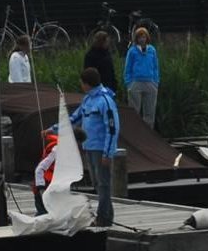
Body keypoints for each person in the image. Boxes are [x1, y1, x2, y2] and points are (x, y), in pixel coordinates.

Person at [63, 67, 119, 227]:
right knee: (97, 183)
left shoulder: (105, 101)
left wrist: (108, 153)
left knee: (104, 183)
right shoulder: (87, 100)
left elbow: (112, 128)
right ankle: (108, 215)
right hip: (89, 147)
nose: (81, 85)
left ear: (88, 84)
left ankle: (103, 218)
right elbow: (74, 119)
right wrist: (54, 129)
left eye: (82, 83)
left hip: (101, 149)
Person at [124, 27, 160, 128]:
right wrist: (129, 83)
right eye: (140, 37)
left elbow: (156, 66)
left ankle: (148, 136)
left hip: (150, 83)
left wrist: (156, 81)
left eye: (144, 37)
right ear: (137, 39)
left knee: (150, 112)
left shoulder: (152, 50)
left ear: (147, 38)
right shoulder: (132, 51)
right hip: (136, 83)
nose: (142, 39)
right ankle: (135, 135)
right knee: (134, 112)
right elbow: (128, 67)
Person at [33, 130, 58, 216]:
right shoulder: (56, 150)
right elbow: (39, 169)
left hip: (55, 183)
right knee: (43, 210)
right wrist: (41, 188)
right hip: (44, 184)